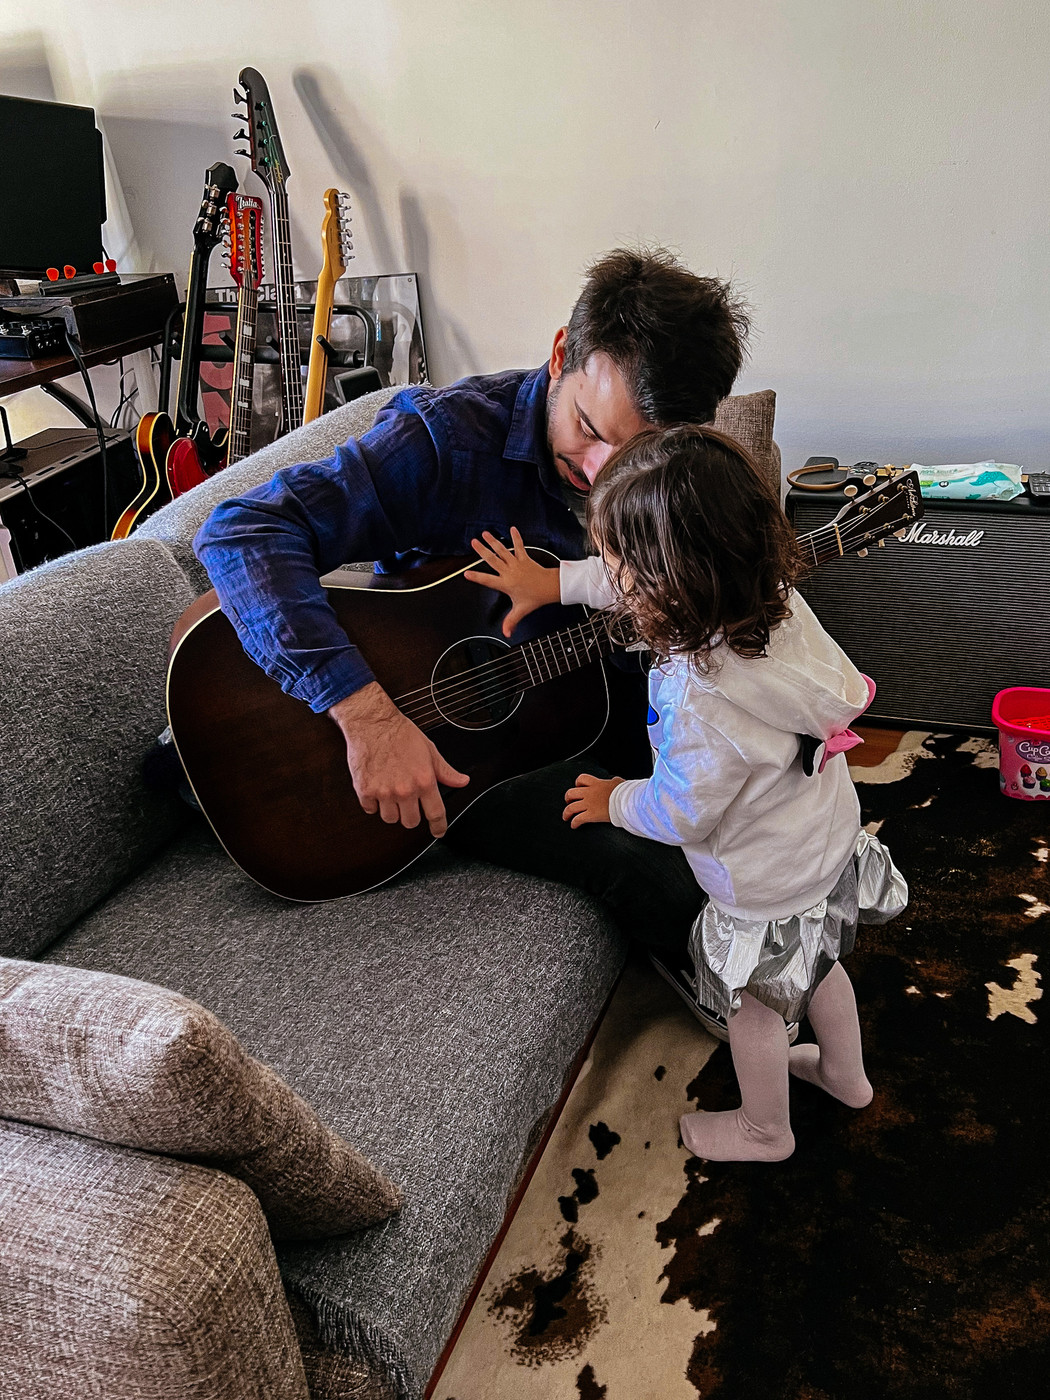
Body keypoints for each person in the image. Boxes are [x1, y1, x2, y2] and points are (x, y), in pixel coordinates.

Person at [194, 248, 749, 983]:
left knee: (750, 794)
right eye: (588, 425)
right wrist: (368, 717)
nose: (598, 472)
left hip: (582, 698)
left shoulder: (673, 481)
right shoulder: (446, 440)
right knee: (651, 871)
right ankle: (746, 1010)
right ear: (560, 355)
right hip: (454, 752)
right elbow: (241, 533)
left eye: (634, 454)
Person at [466, 424, 908, 1162]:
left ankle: (765, 1130)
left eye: (616, 562)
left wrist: (616, 799)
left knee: (758, 1008)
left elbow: (681, 809)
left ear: (668, 586)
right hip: (825, 846)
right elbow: (643, 577)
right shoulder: (768, 598)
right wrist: (560, 582)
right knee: (825, 963)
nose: (609, 572)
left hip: (760, 886)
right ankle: (845, 1074)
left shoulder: (698, 696)